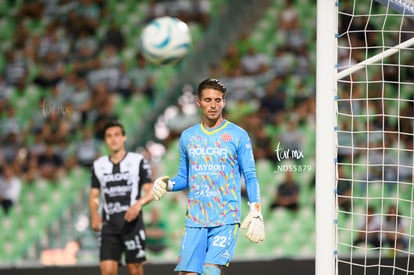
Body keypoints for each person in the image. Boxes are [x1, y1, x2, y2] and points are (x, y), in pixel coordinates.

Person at [152, 78, 265, 275]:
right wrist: (167, 184)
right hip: (195, 218)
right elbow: (183, 177)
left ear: (224, 102)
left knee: (210, 270)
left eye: (218, 100)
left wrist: (255, 210)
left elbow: (250, 176)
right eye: (208, 100)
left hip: (225, 218)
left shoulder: (238, 135)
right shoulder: (188, 136)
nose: (213, 105)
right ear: (198, 103)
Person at [88, 120, 154, 275]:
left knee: (135, 269)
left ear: (124, 138)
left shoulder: (137, 161)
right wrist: (94, 214)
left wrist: (138, 205)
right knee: (107, 271)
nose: (113, 139)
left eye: (117, 135)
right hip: (109, 226)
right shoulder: (98, 165)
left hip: (132, 224)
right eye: (109, 136)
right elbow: (94, 195)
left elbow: (150, 191)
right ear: (105, 140)